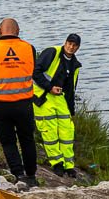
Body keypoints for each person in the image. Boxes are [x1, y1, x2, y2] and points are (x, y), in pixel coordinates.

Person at [0, 18, 39, 188]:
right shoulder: (29, 48)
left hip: (0, 104)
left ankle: (19, 175)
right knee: (27, 139)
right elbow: (32, 70)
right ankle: (31, 176)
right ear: (18, 31)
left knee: (8, 142)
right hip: (24, 103)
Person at [32, 33, 83, 179]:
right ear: (65, 42)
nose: (71, 47)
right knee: (50, 130)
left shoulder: (75, 64)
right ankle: (57, 163)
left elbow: (71, 89)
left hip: (60, 98)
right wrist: (49, 87)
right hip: (43, 96)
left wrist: (71, 111)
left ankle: (69, 165)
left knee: (67, 131)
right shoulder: (52, 52)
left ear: (78, 47)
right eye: (69, 43)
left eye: (74, 45)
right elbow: (35, 72)